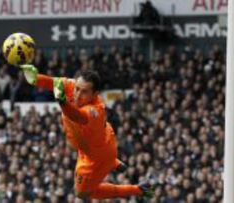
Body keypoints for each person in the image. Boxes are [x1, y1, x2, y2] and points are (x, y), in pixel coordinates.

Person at [19, 64, 154, 200]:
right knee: (77, 141)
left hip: (95, 156)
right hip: (101, 140)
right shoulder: (74, 85)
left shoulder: (95, 110)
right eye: (77, 89)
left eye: (84, 92)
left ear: (95, 94)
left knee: (82, 194)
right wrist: (35, 79)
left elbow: (76, 115)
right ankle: (113, 162)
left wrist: (62, 101)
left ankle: (138, 189)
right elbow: (54, 82)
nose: (78, 95)